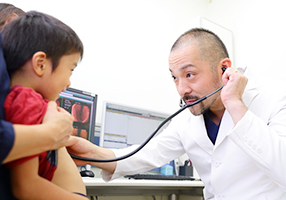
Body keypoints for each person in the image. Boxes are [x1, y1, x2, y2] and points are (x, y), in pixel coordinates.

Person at [67, 28, 286, 199]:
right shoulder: (187, 118)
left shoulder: (275, 98)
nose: (182, 89)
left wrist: (236, 105)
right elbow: (144, 156)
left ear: (224, 68)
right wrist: (91, 153)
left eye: (190, 74)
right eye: (174, 77)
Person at [2, 11, 87, 199]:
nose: (69, 82)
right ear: (40, 64)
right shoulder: (26, 103)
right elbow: (26, 186)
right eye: (71, 70)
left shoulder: (29, 102)